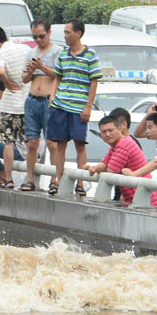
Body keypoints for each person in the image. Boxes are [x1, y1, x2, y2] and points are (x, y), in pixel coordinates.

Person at [47, 19, 102, 196]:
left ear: (78, 33)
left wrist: (88, 106)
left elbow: (94, 82)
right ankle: (58, 179)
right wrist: (52, 96)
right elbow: (57, 77)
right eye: (64, 33)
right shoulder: (63, 54)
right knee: (60, 144)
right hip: (60, 104)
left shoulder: (90, 55)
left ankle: (81, 181)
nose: (65, 36)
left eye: (68, 32)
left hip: (78, 107)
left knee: (80, 144)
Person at [0, 24, 31, 190]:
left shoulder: (0, 52)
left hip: (10, 105)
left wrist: (7, 83)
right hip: (27, 104)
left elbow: (1, 71)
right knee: (29, 143)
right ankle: (31, 178)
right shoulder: (25, 49)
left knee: (8, 143)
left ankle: (9, 178)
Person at [20, 17, 61, 192]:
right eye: (35, 37)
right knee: (32, 142)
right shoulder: (31, 53)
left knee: (52, 143)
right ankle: (29, 178)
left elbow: (59, 76)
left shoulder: (58, 52)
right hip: (32, 99)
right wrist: (30, 69)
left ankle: (55, 178)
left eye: (41, 36)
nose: (38, 40)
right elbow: (24, 79)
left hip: (48, 101)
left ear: (49, 33)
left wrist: (42, 67)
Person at [84, 115, 157, 206]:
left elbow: (111, 170)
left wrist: (96, 169)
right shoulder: (115, 146)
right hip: (135, 200)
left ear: (119, 129)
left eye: (110, 130)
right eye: (104, 132)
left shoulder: (124, 145)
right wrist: (94, 168)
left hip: (144, 202)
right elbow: (104, 164)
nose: (107, 134)